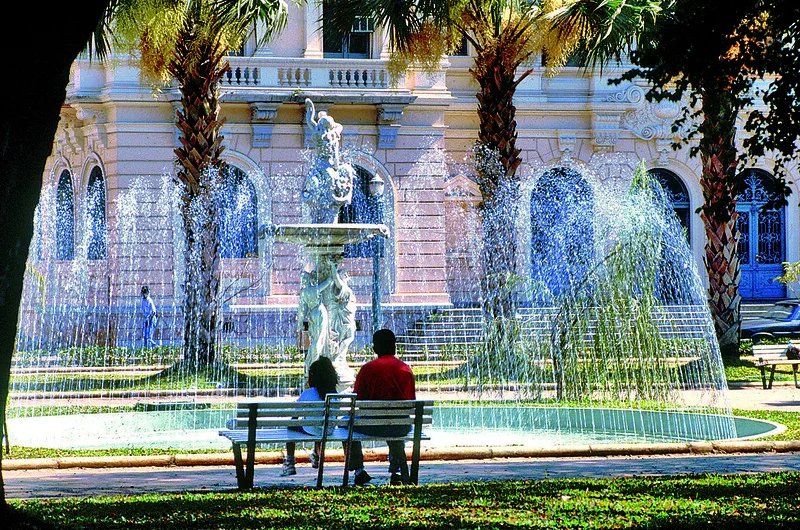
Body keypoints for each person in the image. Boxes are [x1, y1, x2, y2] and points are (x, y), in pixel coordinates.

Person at [347, 328, 416, 486]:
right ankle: (397, 471)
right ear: (394, 347)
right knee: (394, 424)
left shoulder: (367, 369)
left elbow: (358, 401)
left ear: (375, 348)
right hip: (400, 426)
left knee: (346, 424)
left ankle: (358, 470)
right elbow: (411, 400)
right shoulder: (405, 369)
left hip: (373, 426)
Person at [281, 356, 339, 477]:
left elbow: (295, 416)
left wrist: (293, 422)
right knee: (320, 426)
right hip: (328, 430)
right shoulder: (335, 394)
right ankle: (316, 457)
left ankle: (290, 463)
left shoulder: (308, 393)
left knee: (291, 428)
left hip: (312, 430)